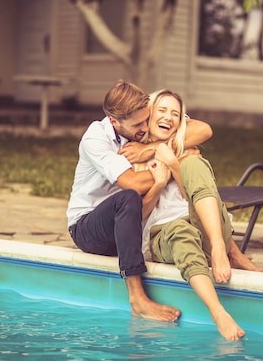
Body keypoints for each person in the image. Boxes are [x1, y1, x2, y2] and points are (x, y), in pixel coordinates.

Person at [66, 80, 213, 323]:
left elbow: (202, 129)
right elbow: (132, 183)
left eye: (147, 120)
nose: (145, 127)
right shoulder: (96, 138)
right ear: (114, 122)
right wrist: (169, 162)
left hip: (132, 225)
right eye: (138, 125)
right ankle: (137, 299)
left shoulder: (139, 124)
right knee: (128, 197)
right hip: (89, 228)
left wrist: (155, 147)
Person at [136, 89, 260, 341]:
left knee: (194, 164)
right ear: (147, 115)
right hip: (165, 235)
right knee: (179, 231)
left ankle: (218, 249)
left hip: (207, 230)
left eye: (175, 114)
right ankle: (218, 313)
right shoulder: (132, 155)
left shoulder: (185, 149)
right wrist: (158, 183)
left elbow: (189, 195)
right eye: (161, 111)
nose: (168, 118)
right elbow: (135, 215)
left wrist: (173, 164)